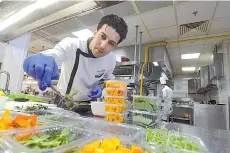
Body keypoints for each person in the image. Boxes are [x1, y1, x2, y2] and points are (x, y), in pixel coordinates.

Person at [23, 14, 128, 115]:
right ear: (95, 32)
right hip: (64, 101)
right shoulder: (72, 45)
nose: (103, 46)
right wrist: (44, 59)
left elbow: (106, 80)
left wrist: (100, 87)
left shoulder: (111, 59)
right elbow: (56, 53)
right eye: (103, 36)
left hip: (90, 105)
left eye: (111, 43)